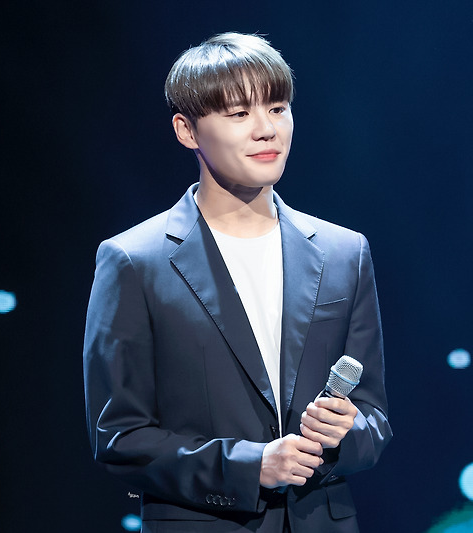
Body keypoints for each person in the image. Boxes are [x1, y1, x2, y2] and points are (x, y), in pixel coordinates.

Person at [83, 32, 391, 532]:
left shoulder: (344, 252)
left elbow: (373, 418)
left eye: (278, 108)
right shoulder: (135, 261)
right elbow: (119, 436)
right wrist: (252, 466)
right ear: (187, 131)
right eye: (239, 113)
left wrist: (344, 433)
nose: (266, 130)